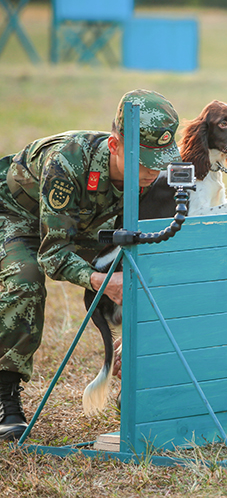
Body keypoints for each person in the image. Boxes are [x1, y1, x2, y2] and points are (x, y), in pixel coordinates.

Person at [0, 89, 182, 442]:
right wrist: (99, 280)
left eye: (159, 161)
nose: (151, 172)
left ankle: (142, 383)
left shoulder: (144, 177)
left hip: (81, 224)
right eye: (143, 161)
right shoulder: (66, 162)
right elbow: (53, 254)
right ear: (115, 146)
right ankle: (4, 396)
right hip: (17, 214)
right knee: (25, 279)